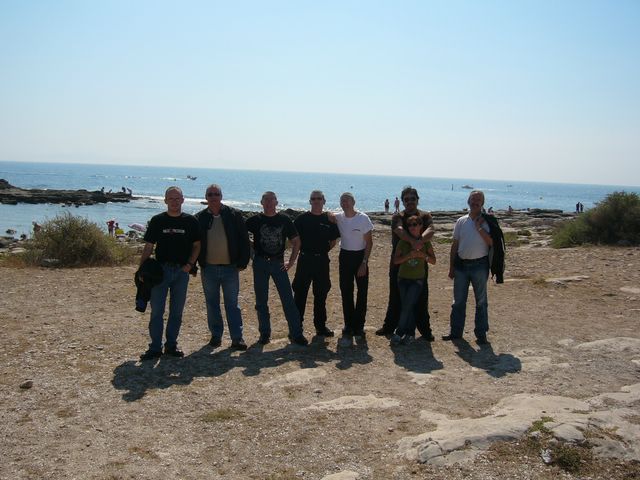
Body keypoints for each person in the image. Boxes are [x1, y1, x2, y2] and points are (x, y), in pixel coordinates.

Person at [138, 186, 201, 360]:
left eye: (177, 198)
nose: (174, 201)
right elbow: (148, 246)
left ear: (183, 200)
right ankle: (155, 347)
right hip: (160, 271)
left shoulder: (191, 221)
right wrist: (141, 269)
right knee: (157, 311)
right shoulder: (157, 220)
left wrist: (190, 264)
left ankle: (171, 345)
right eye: (171, 198)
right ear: (165, 200)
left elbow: (197, 245)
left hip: (182, 271)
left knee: (176, 311)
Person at [246, 191, 308, 346]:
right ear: (261, 202)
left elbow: (297, 241)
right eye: (266, 200)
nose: (269, 203)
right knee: (261, 301)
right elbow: (240, 234)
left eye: (271, 200)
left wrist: (291, 261)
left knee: (287, 299)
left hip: (278, 263)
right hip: (260, 263)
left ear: (276, 202)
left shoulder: (284, 220)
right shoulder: (254, 220)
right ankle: (264, 334)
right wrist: (251, 247)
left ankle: (296, 333)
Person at [195, 184, 251, 351]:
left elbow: (244, 239)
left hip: (230, 268)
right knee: (212, 303)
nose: (213, 197)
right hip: (209, 268)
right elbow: (194, 243)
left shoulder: (233, 215)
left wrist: (243, 262)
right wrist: (194, 264)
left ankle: (237, 338)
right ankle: (216, 336)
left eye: (216, 194)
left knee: (232, 304)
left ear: (221, 196)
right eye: (210, 194)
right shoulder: (200, 218)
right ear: (206, 197)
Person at [376, 186, 435, 340]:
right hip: (398, 263)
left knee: (421, 298)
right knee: (395, 296)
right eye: (406, 199)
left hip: (419, 264)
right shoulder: (398, 216)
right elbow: (399, 230)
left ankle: (425, 330)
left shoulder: (425, 216)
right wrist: (413, 242)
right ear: (402, 201)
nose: (409, 202)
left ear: (417, 200)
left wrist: (420, 241)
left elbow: (431, 229)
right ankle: (390, 326)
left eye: (412, 199)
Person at [443, 190, 493, 344]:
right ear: (468, 201)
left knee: (481, 302)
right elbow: (455, 245)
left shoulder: (487, 221)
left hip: (480, 265)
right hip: (461, 266)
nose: (475, 202)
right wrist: (451, 267)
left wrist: (479, 227)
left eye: (478, 200)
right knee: (458, 301)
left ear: (482, 203)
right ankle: (455, 332)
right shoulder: (461, 221)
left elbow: (491, 242)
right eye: (473, 199)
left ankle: (481, 334)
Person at [292, 190, 340, 337]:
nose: (316, 201)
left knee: (321, 294)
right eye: (313, 199)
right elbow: (294, 240)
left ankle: (320, 327)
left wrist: (322, 251)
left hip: (322, 261)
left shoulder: (329, 219)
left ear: (324, 201)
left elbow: (333, 241)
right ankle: (296, 327)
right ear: (310, 201)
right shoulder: (301, 219)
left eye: (319, 198)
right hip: (305, 260)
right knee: (300, 294)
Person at [335, 192, 373, 347]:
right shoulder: (339, 217)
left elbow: (369, 243)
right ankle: (349, 325)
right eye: (342, 201)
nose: (344, 203)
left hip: (360, 257)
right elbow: (327, 216)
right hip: (345, 256)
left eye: (347, 200)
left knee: (362, 292)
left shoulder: (363, 218)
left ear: (353, 202)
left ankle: (359, 326)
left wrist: (364, 263)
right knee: (346, 291)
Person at [390, 215, 436, 345]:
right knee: (407, 306)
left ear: (421, 226)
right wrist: (408, 256)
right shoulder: (403, 242)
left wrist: (422, 255)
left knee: (407, 305)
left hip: (417, 280)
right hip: (403, 278)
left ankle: (399, 332)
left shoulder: (425, 243)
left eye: (415, 224)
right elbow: (396, 260)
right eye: (409, 225)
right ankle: (410, 334)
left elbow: (433, 260)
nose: (412, 227)